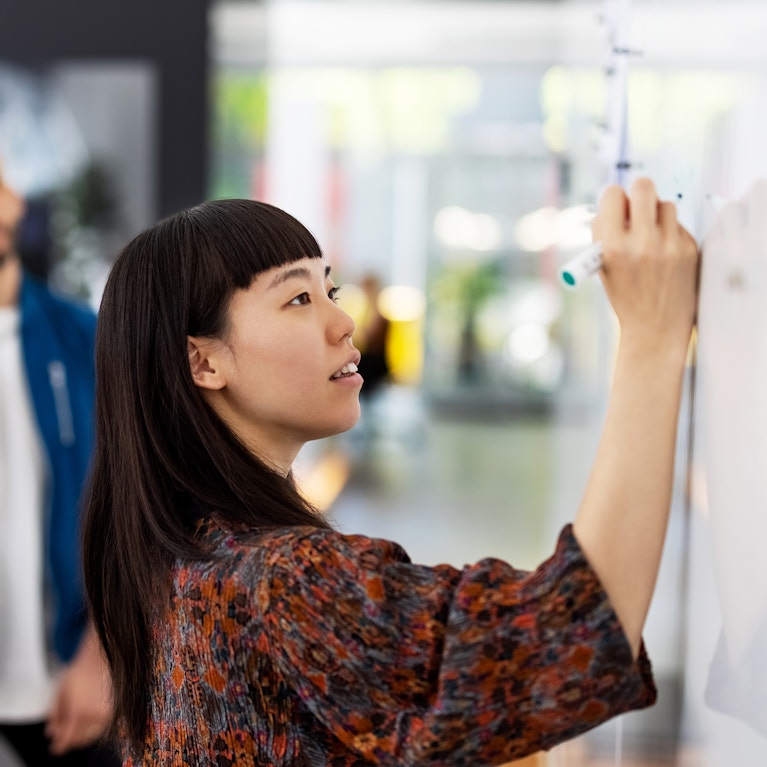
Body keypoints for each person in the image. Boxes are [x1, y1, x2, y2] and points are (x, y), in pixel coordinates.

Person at [82, 179, 699, 766]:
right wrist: (652, 338)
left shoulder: (172, 555)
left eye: (330, 290)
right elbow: (573, 634)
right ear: (203, 361)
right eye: (298, 298)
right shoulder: (285, 581)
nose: (343, 322)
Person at [0, 171, 117, 766]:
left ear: (11, 197)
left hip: (64, 686)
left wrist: (103, 651)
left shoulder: (83, 340)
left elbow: (142, 505)